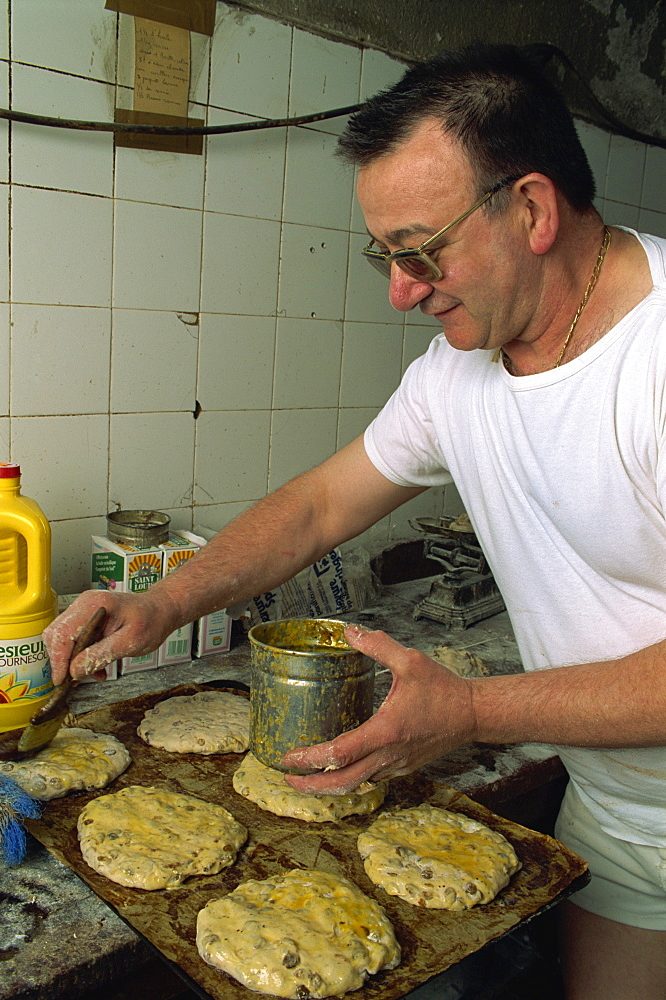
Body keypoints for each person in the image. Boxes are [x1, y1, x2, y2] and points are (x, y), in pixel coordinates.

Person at [45, 44, 665, 998]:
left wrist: (470, 711)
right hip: (623, 813)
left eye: (421, 250)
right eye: (384, 255)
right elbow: (320, 504)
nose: (400, 291)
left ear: (532, 209)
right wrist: (165, 603)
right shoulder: (458, 372)